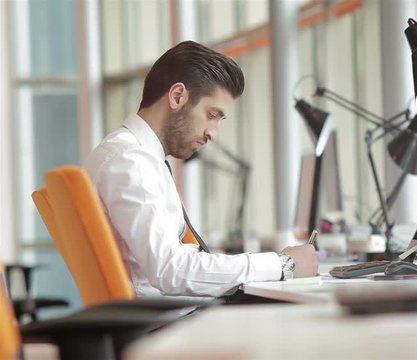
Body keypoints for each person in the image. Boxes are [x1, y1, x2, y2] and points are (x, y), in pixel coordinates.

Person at [85, 40, 318, 298]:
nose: (213, 133)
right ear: (177, 96)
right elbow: (170, 270)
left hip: (172, 315)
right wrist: (284, 264)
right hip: (168, 324)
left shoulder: (133, 156)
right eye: (212, 114)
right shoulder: (131, 161)